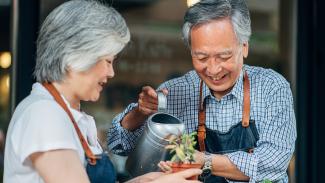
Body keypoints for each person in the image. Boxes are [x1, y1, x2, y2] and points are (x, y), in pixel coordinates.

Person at [3, 1, 202, 183]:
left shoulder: (66, 114)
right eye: (107, 61)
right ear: (76, 56)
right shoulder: (44, 115)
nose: (111, 72)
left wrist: (144, 181)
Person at [107, 0, 297, 182]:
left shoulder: (271, 87)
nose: (213, 69)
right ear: (191, 51)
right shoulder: (174, 92)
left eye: (224, 56)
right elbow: (118, 146)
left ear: (244, 47)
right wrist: (139, 113)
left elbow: (273, 163)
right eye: (202, 57)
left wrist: (204, 161)